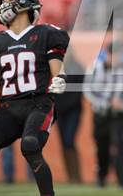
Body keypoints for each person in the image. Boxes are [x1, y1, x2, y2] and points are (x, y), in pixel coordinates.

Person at [0, 0, 69, 196]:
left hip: (38, 105)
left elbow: (58, 71)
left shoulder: (45, 34)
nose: (1, 8)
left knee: (30, 145)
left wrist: (59, 80)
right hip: (8, 109)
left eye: (4, 3)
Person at [84, 41, 123, 189]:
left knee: (119, 142)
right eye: (113, 54)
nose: (116, 57)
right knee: (102, 145)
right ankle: (102, 177)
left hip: (120, 112)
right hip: (101, 112)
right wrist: (108, 101)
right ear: (107, 54)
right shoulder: (96, 67)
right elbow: (88, 91)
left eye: (118, 54)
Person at [54, 48, 83, 183]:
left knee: (69, 140)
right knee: (64, 143)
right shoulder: (56, 68)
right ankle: (70, 176)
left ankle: (76, 176)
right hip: (60, 111)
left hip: (73, 110)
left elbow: (78, 94)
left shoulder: (78, 67)